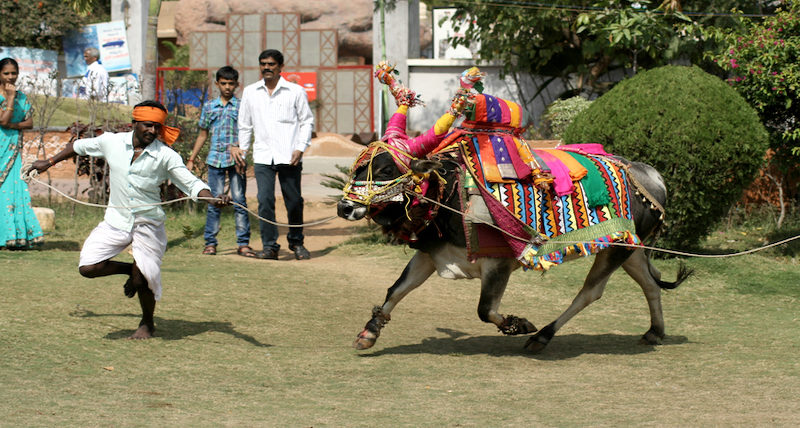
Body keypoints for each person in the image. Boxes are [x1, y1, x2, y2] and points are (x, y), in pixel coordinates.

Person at [28, 100, 230, 339]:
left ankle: (147, 322)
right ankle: (131, 272)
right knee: (88, 267)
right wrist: (47, 162)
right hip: (116, 220)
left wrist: (211, 199)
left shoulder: (165, 155)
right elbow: (78, 146)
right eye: (147, 125)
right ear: (134, 123)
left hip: (148, 224)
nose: (152, 131)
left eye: (157, 127)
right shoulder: (111, 142)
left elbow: (190, 182)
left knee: (145, 276)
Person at [238, 49, 314, 260]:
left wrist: (300, 147)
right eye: (263, 64)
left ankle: (297, 243)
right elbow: (244, 124)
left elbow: (307, 120)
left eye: (271, 64)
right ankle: (270, 246)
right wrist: (243, 151)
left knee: (294, 201)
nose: (266, 68)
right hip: (263, 156)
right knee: (264, 201)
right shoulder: (250, 92)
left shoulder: (295, 91)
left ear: (281, 67)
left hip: (289, 155)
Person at [186, 66, 254, 257]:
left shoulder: (242, 106)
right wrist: (191, 159)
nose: (227, 87)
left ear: (237, 85)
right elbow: (203, 134)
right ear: (217, 84)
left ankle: (243, 243)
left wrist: (242, 150)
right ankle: (210, 243)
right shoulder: (209, 107)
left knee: (239, 202)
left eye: (231, 84)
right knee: (214, 201)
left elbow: (247, 132)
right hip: (215, 160)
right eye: (223, 83)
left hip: (236, 161)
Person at [0, 57, 44, 249]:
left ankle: (15, 237)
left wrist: (14, 125)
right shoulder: (8, 96)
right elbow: (2, 121)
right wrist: (9, 99)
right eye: (6, 73)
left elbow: (29, 122)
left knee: (16, 191)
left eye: (14, 73)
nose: (11, 77)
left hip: (13, 151)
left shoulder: (23, 98)